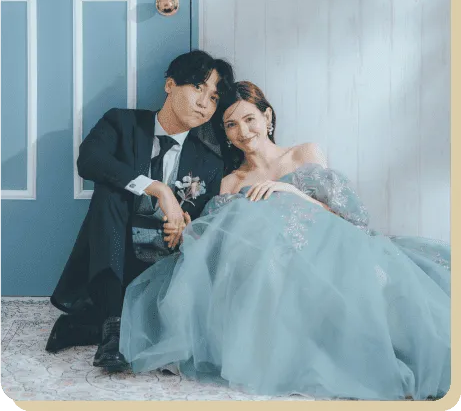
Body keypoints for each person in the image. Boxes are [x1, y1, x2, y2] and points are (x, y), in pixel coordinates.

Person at [118, 81, 451, 400]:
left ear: (267, 117)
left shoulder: (303, 153)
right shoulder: (231, 182)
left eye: (249, 119)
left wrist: (289, 191)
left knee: (392, 302)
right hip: (272, 273)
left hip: (328, 252)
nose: (243, 131)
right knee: (243, 223)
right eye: (231, 125)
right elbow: (221, 245)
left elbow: (348, 221)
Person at [45, 50, 235, 371]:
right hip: (112, 255)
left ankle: (102, 323)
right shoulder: (122, 122)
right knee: (111, 189)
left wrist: (186, 226)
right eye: (197, 88)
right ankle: (113, 327)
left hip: (162, 263)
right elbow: (89, 161)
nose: (205, 103)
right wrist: (157, 188)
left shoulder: (209, 161)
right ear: (170, 85)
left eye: (214, 98)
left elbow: (206, 222)